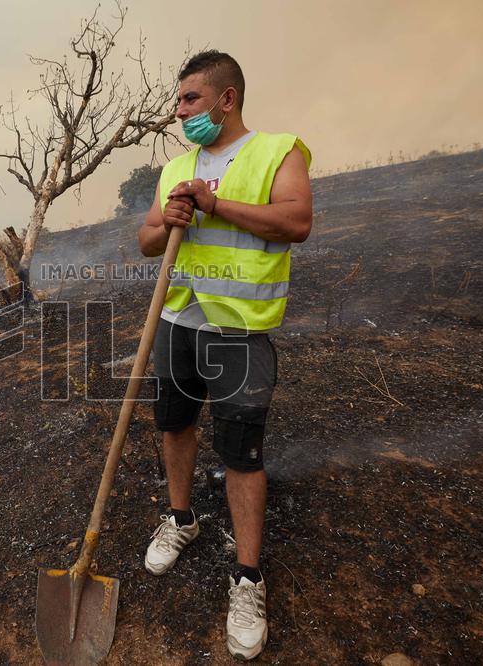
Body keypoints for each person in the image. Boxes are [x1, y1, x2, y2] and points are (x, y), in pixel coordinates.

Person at [137, 50, 312, 660]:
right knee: (174, 424)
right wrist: (168, 220)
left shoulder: (278, 152)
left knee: (240, 449)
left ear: (226, 99)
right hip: (177, 320)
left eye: (190, 99)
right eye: (179, 100)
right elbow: (146, 240)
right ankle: (181, 518)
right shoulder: (175, 167)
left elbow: (296, 221)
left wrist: (214, 205)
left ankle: (247, 578)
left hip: (238, 328)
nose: (179, 111)